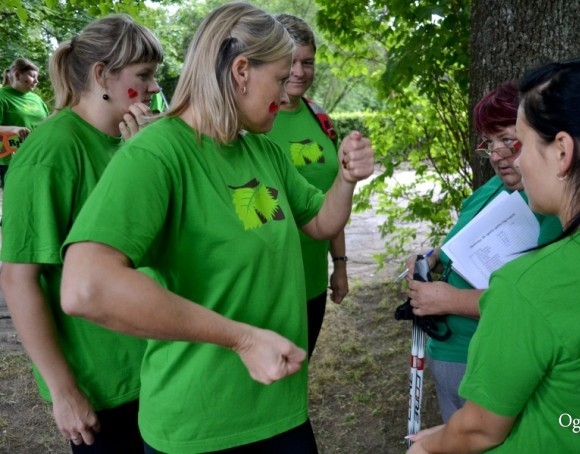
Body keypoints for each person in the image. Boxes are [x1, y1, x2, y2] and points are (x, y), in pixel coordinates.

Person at [59, 3, 374, 453]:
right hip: (199, 425)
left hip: (279, 410)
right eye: (281, 78)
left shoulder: (261, 152)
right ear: (242, 70)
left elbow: (321, 222)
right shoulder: (157, 153)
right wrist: (241, 339)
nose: (287, 95)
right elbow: (84, 287)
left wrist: (345, 179)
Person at [407, 54, 580, 453]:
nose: (514, 159)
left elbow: (478, 430)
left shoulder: (527, 285)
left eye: (522, 143)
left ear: (562, 152)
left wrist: (429, 447)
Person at [0, 15, 163, 453]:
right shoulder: (51, 152)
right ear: (101, 75)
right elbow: (18, 277)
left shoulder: (136, 140)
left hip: (159, 366)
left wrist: (149, 159)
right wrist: (63, 390)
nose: (152, 88)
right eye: (143, 75)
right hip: (104, 386)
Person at [403, 81, 562, 422]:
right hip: (447, 346)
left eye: (508, 140)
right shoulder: (493, 186)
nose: (497, 155)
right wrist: (431, 257)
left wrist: (447, 301)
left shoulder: (552, 206)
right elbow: (462, 237)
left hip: (487, 355)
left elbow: (536, 303)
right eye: (489, 144)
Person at [267, 13, 348, 357]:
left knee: (300, 373)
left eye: (308, 62)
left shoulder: (320, 118)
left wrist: (340, 265)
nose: (299, 72)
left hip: (312, 278)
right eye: (291, 62)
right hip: (269, 281)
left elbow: (331, 197)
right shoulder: (253, 122)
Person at [0, 58, 49, 187]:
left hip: (39, 157)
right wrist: (12, 130)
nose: (36, 81)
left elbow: (47, 123)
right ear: (17, 74)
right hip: (10, 160)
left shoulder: (36, 99)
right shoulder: (2, 96)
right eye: (33, 76)